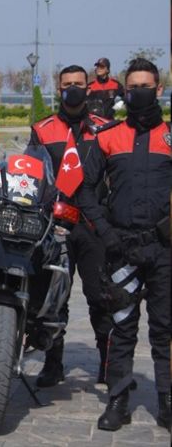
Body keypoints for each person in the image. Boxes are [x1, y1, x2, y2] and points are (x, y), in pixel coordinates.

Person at [78, 58, 170, 432]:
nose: (139, 94)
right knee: (122, 326)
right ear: (124, 91)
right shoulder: (108, 137)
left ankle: (166, 401)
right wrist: (105, 231)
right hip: (121, 250)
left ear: (159, 91)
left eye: (146, 87)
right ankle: (118, 400)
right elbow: (83, 189)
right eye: (133, 88)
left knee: (165, 328)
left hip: (164, 250)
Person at [28, 65, 112, 389]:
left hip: (93, 228)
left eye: (79, 84)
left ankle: (107, 363)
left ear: (88, 88)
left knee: (100, 296)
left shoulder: (105, 130)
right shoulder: (43, 129)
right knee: (53, 298)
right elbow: (33, 174)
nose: (73, 89)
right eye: (67, 84)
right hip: (56, 227)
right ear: (59, 87)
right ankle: (53, 363)